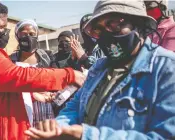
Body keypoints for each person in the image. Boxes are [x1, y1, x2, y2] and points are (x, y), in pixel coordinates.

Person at [25, 0, 175, 139]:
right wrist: (59, 126)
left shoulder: (167, 69)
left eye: (114, 24)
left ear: (139, 24)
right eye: (98, 29)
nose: (106, 35)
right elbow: (75, 106)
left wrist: (86, 135)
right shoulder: (99, 67)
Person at [0, 1, 85, 140]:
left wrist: (31, 95)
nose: (5, 32)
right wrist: (69, 75)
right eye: (1, 28)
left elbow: (1, 89)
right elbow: (18, 76)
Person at [10, 19, 56, 127]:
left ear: (37, 35)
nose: (28, 37)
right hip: (21, 111)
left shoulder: (46, 57)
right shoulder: (11, 61)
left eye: (32, 34)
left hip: (45, 108)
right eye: (24, 34)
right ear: (17, 36)